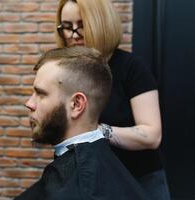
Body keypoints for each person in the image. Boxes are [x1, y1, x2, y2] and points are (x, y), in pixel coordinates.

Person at [55, 0, 170, 199]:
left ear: (101, 24)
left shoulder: (131, 68)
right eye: (66, 27)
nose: (73, 35)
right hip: (86, 179)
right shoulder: (63, 71)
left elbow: (152, 135)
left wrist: (99, 132)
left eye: (82, 25)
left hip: (139, 180)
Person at [15, 46, 150, 199]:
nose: (29, 103)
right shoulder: (97, 167)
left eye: (41, 94)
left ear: (76, 105)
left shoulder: (81, 189)